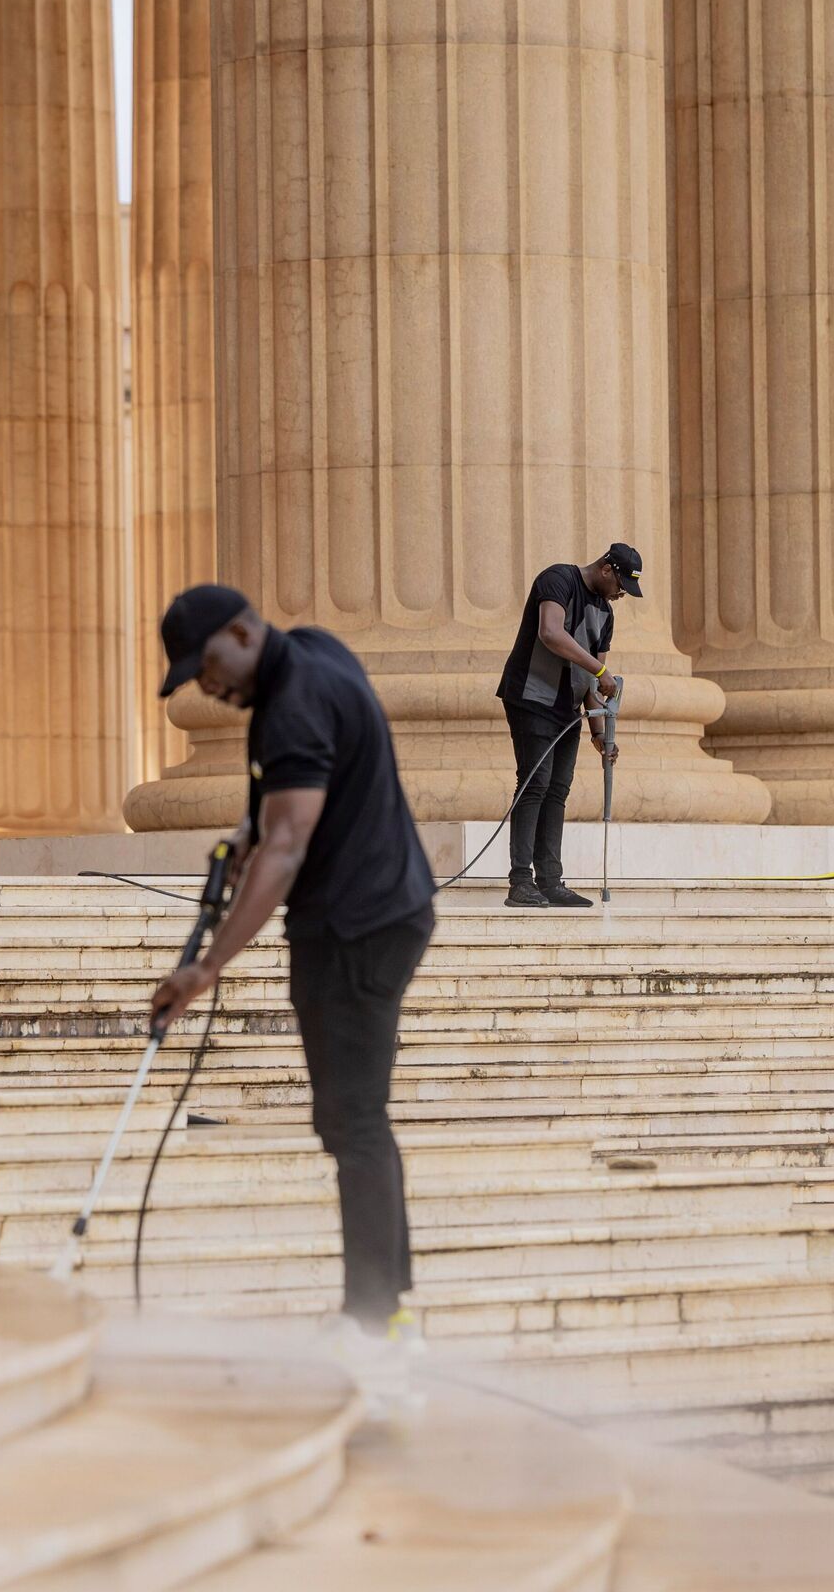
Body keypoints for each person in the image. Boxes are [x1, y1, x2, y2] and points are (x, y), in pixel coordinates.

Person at [147, 584, 435, 1392]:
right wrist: (253, 826)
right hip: (384, 911)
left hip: (355, 926)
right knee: (354, 1120)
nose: (207, 687)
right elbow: (297, 802)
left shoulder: (289, 704)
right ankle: (384, 1312)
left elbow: (287, 846)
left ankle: (375, 1324)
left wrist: (206, 967)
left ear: (241, 632)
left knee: (354, 1120)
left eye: (206, 666)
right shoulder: (315, 653)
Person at [495, 544, 643, 908]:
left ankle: (550, 880)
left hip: (568, 709)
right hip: (531, 698)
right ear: (607, 568)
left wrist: (599, 732)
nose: (621, 594)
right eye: (621, 585)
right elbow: (550, 633)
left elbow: (593, 683)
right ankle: (520, 882)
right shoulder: (558, 579)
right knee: (535, 783)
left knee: (558, 789)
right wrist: (601, 670)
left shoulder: (605, 614)